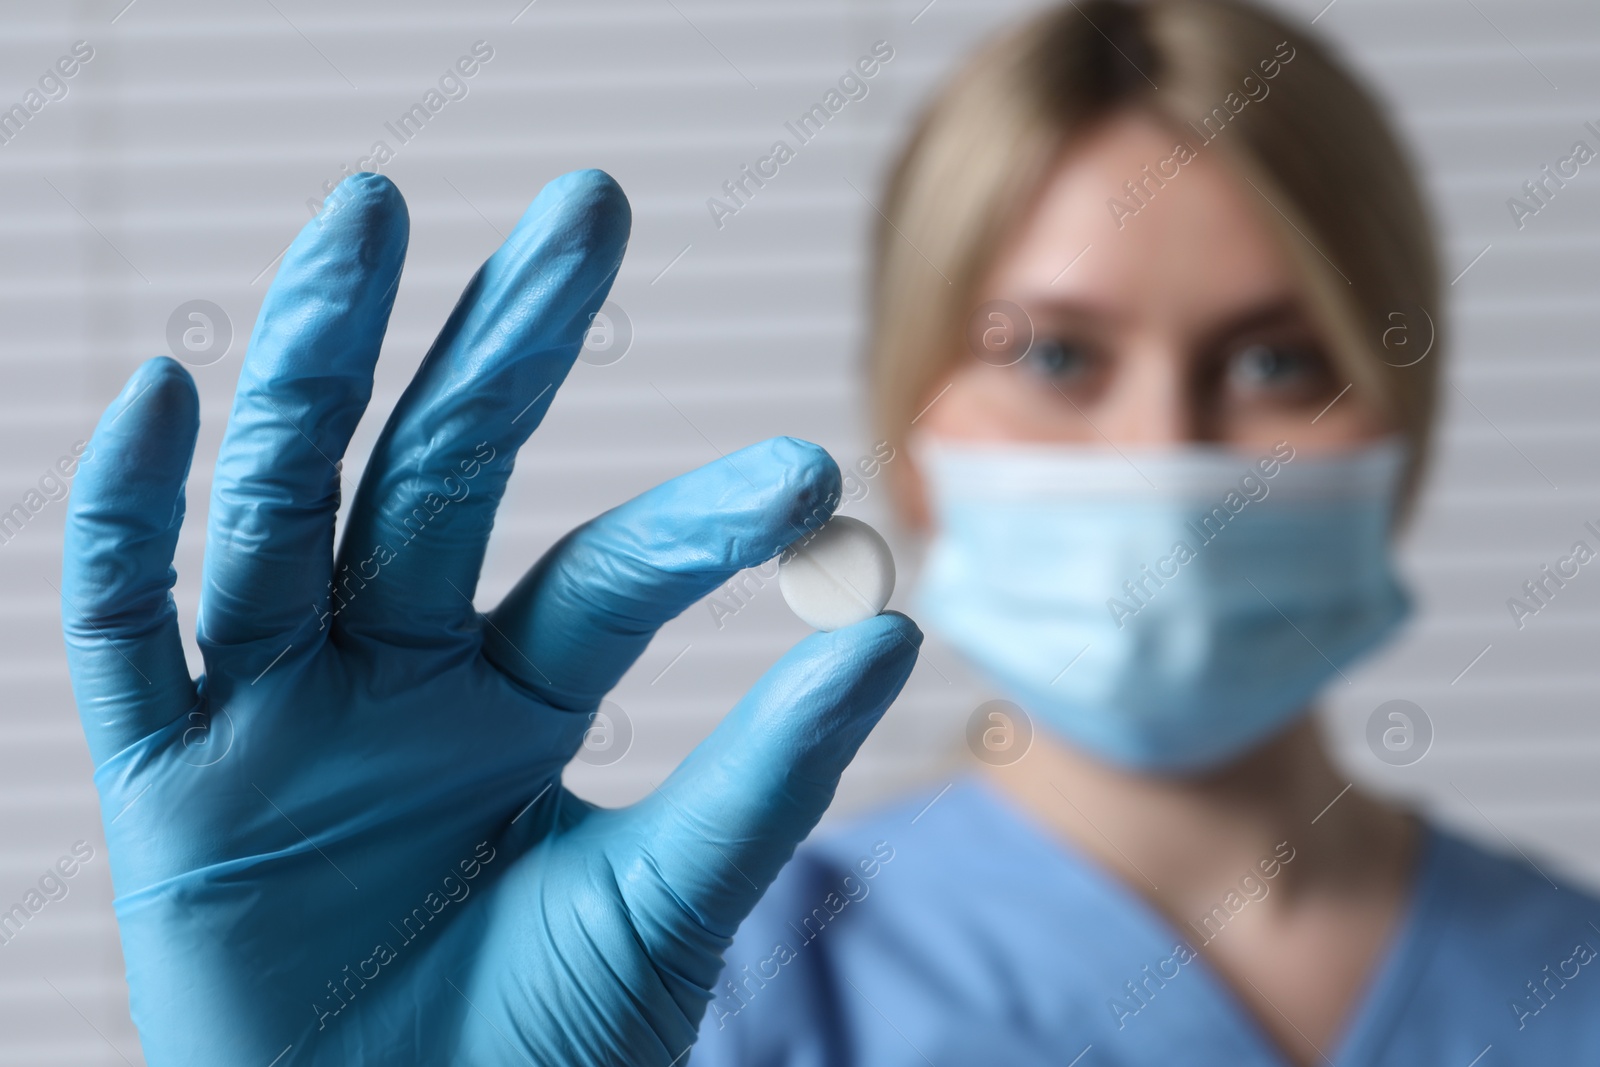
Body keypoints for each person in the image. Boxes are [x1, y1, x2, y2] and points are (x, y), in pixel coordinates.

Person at [688, 1, 1600, 1064]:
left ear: (1400, 420)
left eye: (1273, 362)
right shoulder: (721, 996)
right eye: (1058, 359)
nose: (1162, 453)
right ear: (915, 426)